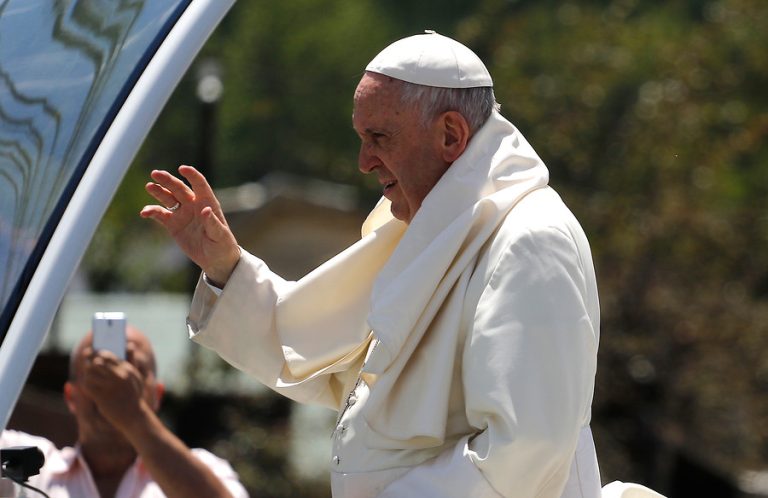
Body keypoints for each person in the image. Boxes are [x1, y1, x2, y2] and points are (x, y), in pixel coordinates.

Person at [140, 31, 602, 497]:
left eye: (379, 137)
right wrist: (225, 266)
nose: (363, 162)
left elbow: (525, 451)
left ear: (451, 135)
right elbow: (325, 362)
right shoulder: (431, 230)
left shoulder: (530, 238)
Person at [0, 326, 248, 498]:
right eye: (96, 372)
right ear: (71, 396)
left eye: (133, 372)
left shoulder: (203, 469)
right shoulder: (26, 465)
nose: (112, 387)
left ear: (156, 395)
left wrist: (134, 416)